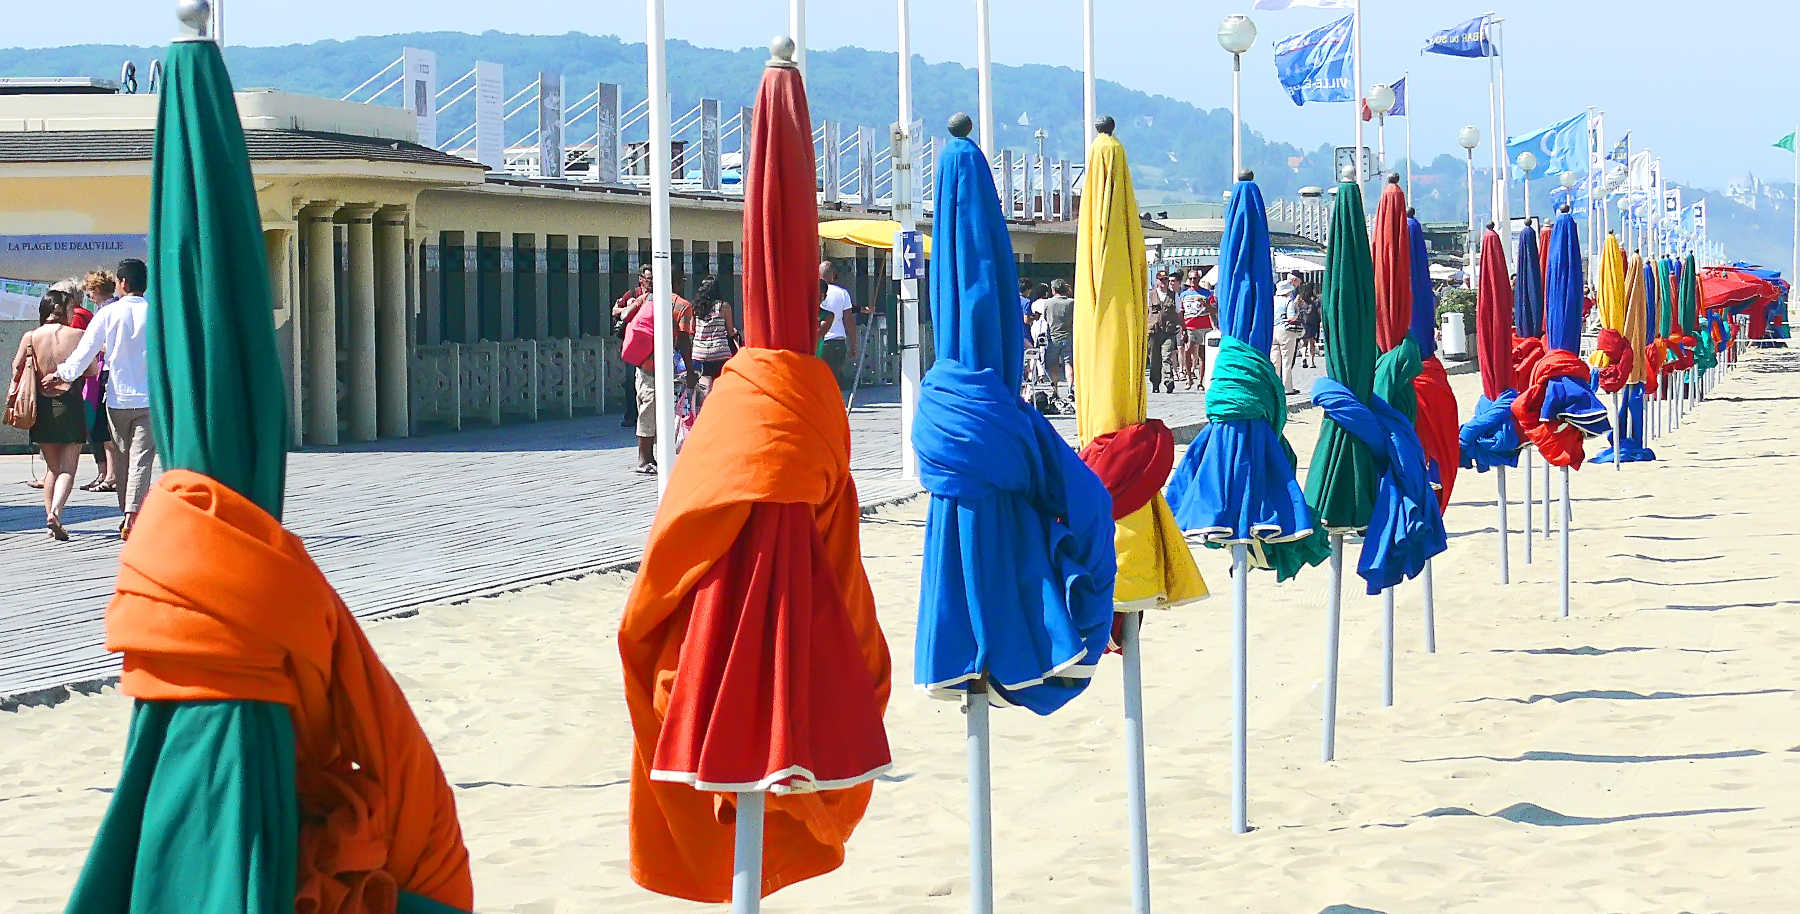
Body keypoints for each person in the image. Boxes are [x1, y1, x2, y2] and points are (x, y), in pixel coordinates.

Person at [56, 259, 155, 539]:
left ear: (123, 283)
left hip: (116, 398)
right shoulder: (157, 313)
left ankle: (128, 512)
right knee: (141, 460)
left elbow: (84, 352)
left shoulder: (108, 313)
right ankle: (132, 515)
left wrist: (62, 374)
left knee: (122, 459)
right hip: (148, 399)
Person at [11, 289, 96, 540]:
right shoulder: (78, 335)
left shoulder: (30, 337)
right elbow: (91, 371)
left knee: (52, 468)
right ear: (65, 310)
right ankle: (56, 513)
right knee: (68, 468)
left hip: (42, 408)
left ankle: (49, 517)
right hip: (69, 405)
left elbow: (17, 367)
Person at [612, 265, 693, 475]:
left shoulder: (648, 298)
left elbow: (624, 315)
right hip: (661, 368)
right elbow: (684, 341)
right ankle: (644, 459)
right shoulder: (681, 306)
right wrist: (691, 370)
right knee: (652, 410)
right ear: (678, 281)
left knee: (645, 408)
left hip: (642, 363)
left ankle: (649, 457)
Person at [78, 270, 119, 493]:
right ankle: (105, 473)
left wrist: (93, 345)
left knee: (104, 425)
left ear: (96, 290)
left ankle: (110, 475)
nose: (89, 295)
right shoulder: (105, 309)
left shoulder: (108, 311)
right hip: (101, 373)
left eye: (90, 291)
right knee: (99, 426)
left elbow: (111, 344)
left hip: (107, 372)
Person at [687, 274, 736, 413]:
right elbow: (730, 331)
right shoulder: (723, 306)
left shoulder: (695, 307)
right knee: (720, 382)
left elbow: (692, 330)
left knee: (705, 382)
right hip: (719, 352)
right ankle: (720, 411)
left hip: (700, 353)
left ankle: (705, 411)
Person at [817, 261, 858, 389]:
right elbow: (849, 321)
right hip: (837, 342)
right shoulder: (842, 293)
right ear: (833, 275)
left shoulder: (813, 292)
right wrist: (853, 345)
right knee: (834, 382)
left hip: (820, 342)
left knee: (819, 381)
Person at [1178, 269, 1215, 390]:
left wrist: (1206, 305)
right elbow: (1180, 312)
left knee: (1202, 355)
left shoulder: (1207, 293)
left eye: (1195, 278)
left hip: (1205, 327)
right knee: (1188, 351)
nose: (1193, 281)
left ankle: (1201, 381)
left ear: (1199, 279)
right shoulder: (1183, 295)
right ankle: (1189, 378)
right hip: (1190, 327)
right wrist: (1182, 328)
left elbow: (1214, 310)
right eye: (1191, 279)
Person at [1148, 271, 1183, 394]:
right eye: (1161, 280)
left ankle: (1169, 381)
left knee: (1166, 356)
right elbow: (1145, 313)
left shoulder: (1174, 296)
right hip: (1153, 332)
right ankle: (1155, 383)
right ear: (1157, 281)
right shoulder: (1150, 295)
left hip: (1169, 332)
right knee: (1154, 359)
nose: (1163, 282)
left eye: (1165, 280)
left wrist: (1183, 329)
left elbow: (1179, 313)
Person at [1271, 270, 1305, 394]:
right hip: (1285, 331)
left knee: (1275, 361)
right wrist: (1297, 311)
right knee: (1287, 360)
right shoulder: (1288, 300)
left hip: (1273, 330)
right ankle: (1287, 388)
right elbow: (1291, 317)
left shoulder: (1273, 300)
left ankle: (1274, 386)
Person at [1039, 278, 1075, 388]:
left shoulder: (1048, 303)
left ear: (1053, 290)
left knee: (1053, 365)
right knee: (1068, 364)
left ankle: (1055, 389)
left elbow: (1045, 318)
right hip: (1068, 336)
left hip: (1053, 338)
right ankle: (1070, 389)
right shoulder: (1072, 303)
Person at [1300, 281, 1323, 368]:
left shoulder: (1301, 299)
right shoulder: (1316, 300)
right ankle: (1312, 362)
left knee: (1304, 342)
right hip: (1313, 323)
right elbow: (1319, 311)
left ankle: (1303, 357)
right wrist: (1320, 321)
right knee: (1312, 342)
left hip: (1303, 323)